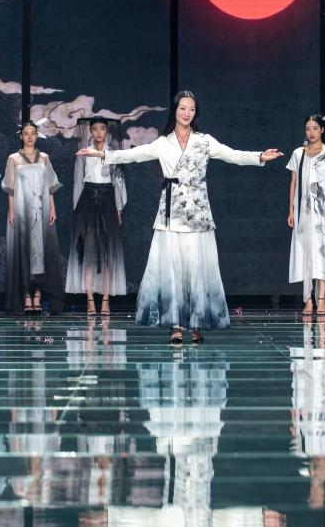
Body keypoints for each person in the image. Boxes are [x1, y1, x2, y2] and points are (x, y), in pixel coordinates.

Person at [77, 90, 282, 343]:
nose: (187, 113)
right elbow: (133, 155)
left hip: (198, 214)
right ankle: (175, 325)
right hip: (171, 213)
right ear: (175, 110)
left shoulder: (204, 141)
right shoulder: (163, 143)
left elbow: (232, 154)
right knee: (172, 270)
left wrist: (259, 157)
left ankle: (197, 323)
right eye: (182, 108)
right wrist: (102, 155)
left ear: (196, 113)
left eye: (191, 109)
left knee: (197, 269)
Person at [65, 116, 127, 315]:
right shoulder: (84, 153)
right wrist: (77, 209)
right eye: (95, 129)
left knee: (108, 254)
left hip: (108, 201)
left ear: (107, 131)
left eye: (102, 128)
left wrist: (119, 208)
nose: (99, 132)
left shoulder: (113, 153)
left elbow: (119, 182)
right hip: (88, 201)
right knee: (89, 253)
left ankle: (106, 300)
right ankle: (90, 300)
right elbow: (78, 181)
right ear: (90, 131)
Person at [3, 121, 65, 315]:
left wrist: (52, 208)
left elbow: (50, 186)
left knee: (41, 250)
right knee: (23, 249)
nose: (29, 137)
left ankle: (37, 294)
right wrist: (11, 211)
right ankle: (26, 295)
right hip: (21, 209)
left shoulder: (44, 158)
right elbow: (10, 188)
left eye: (33, 133)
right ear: (21, 136)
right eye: (26, 133)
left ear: (37, 135)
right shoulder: (13, 159)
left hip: (41, 208)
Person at [287, 114, 325, 316]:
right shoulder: (298, 153)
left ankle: (322, 298)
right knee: (305, 253)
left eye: (315, 128)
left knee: (322, 252)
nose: (311, 132)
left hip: (322, 211)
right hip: (303, 212)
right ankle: (307, 299)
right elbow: (293, 183)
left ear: (322, 130)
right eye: (308, 128)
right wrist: (291, 210)